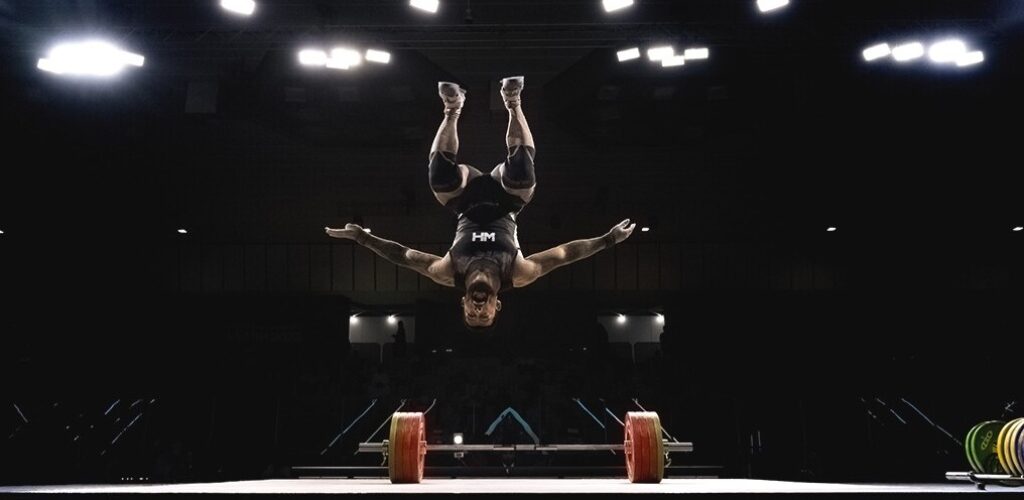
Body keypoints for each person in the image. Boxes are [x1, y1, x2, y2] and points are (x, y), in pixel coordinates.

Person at [327, 76, 635, 328]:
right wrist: (608, 240)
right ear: (496, 305)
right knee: (522, 173)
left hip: (465, 201)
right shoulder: (518, 273)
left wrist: (362, 238)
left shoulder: (447, 271)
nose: (477, 309)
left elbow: (403, 256)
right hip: (508, 202)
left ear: (462, 303)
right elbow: (566, 253)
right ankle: (513, 102)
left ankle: (452, 108)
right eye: (484, 314)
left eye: (471, 314)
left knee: (440, 177)